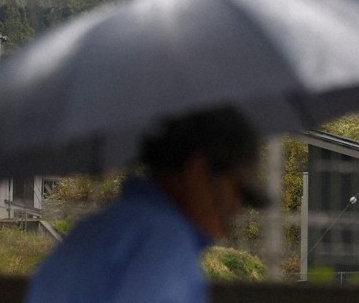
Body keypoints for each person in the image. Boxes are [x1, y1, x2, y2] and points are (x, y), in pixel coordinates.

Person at [24, 107, 267, 303]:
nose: (237, 208)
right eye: (237, 191)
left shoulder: (93, 229)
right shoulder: (166, 242)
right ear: (198, 170)